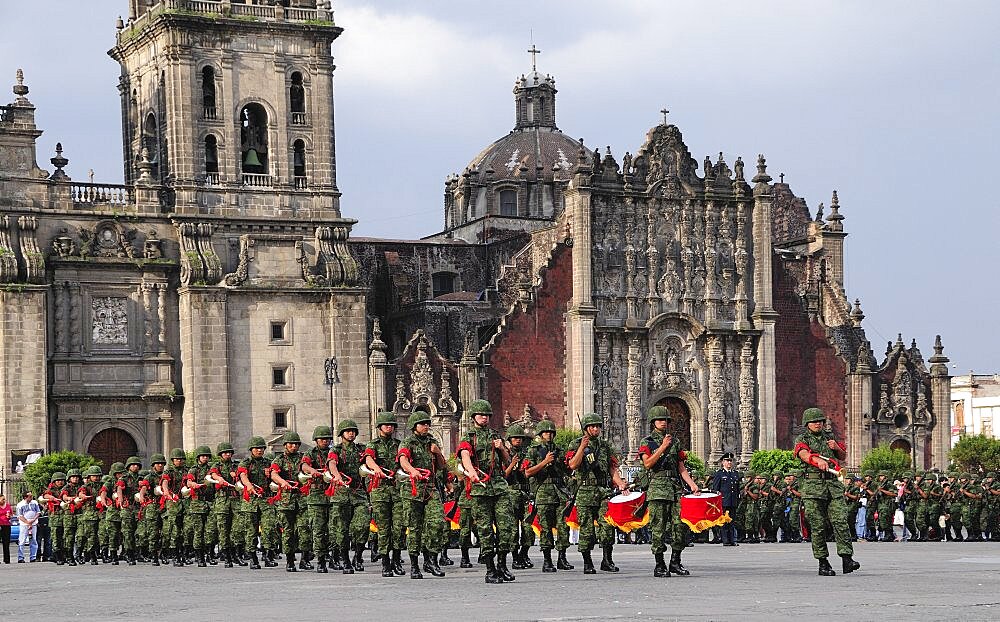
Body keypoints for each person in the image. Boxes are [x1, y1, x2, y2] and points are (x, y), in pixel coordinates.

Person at [793, 407, 860, 576]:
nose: (818, 424)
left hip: (832, 486)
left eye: (820, 421)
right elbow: (803, 455)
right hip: (813, 488)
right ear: (807, 424)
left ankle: (847, 558)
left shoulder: (829, 437)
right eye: (814, 421)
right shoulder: (802, 438)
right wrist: (815, 460)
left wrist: (836, 447)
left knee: (840, 520)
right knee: (818, 526)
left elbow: (842, 457)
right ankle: (823, 562)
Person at [637, 406, 699, 577]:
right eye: (660, 420)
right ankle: (659, 564)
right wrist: (663, 447)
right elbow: (648, 464)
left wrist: (692, 485)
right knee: (658, 528)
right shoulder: (647, 442)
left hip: (674, 487)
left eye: (665, 420)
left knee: (680, 525)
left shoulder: (675, 441)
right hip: (657, 487)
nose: (663, 422)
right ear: (653, 422)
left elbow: (681, 467)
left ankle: (675, 561)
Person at [567, 412, 629, 575]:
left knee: (608, 526)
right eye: (592, 426)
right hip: (585, 491)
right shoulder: (575, 443)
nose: (596, 429)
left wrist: (620, 483)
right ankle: (587, 562)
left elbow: (611, 467)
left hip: (603, 491)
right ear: (586, 428)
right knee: (586, 529)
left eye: (598, 426)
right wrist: (582, 447)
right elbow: (573, 465)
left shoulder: (604, 446)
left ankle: (607, 560)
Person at [397, 411, 448, 579]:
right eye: (422, 424)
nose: (426, 426)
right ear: (414, 426)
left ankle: (431, 560)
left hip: (430, 488)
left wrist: (438, 452)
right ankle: (414, 565)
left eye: (427, 423)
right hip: (412, 490)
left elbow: (441, 466)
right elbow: (403, 459)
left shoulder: (432, 442)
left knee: (437, 523)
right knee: (415, 528)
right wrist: (412, 471)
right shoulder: (408, 442)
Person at [525, 419, 573, 572]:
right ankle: (547, 560)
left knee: (563, 526)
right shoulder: (534, 451)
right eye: (546, 432)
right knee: (545, 527)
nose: (549, 435)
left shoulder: (559, 450)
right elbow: (528, 472)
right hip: (543, 491)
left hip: (559, 491)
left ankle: (562, 557)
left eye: (551, 432)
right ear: (540, 434)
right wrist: (544, 462)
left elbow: (567, 470)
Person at [364, 412, 406, 577]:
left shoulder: (399, 445)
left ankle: (397, 559)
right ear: (380, 427)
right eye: (386, 424)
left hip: (397, 491)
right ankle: (385, 562)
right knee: (383, 529)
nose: (389, 427)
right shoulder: (373, 445)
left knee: (398, 528)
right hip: (380, 492)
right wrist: (377, 469)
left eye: (391, 425)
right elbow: (368, 459)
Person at [328, 419, 371, 574]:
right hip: (341, 494)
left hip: (358, 493)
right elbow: (332, 463)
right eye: (348, 431)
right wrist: (337, 476)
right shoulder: (336, 450)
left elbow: (368, 460)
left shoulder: (362, 449)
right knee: (341, 529)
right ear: (342, 434)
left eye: (353, 431)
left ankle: (358, 556)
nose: (351, 433)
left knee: (363, 525)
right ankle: (345, 560)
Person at [269, 431, 307, 572]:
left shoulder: (303, 458)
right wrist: (282, 482)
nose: (294, 446)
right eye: (291, 444)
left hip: (302, 498)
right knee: (288, 531)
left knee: (304, 529)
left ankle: (305, 559)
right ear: (285, 445)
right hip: (286, 500)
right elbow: (274, 474)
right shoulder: (279, 460)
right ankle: (290, 560)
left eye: (296, 444)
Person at [711, 452, 741, 546]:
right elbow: (716, 489)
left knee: (731, 521)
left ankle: (732, 540)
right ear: (723, 462)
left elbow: (737, 489)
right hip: (723, 501)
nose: (729, 463)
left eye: (730, 461)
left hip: (732, 501)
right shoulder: (719, 474)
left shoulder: (735, 474)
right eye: (727, 461)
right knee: (724, 521)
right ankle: (725, 540)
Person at [16, 489, 42, 562]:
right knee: (22, 541)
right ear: (25, 497)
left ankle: (33, 557)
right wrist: (27, 522)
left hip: (33, 523)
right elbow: (20, 516)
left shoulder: (34, 503)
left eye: (32, 496)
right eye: (30, 496)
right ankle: (20, 557)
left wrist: (33, 520)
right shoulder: (20, 505)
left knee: (33, 540)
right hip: (24, 524)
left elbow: (38, 512)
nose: (31, 497)